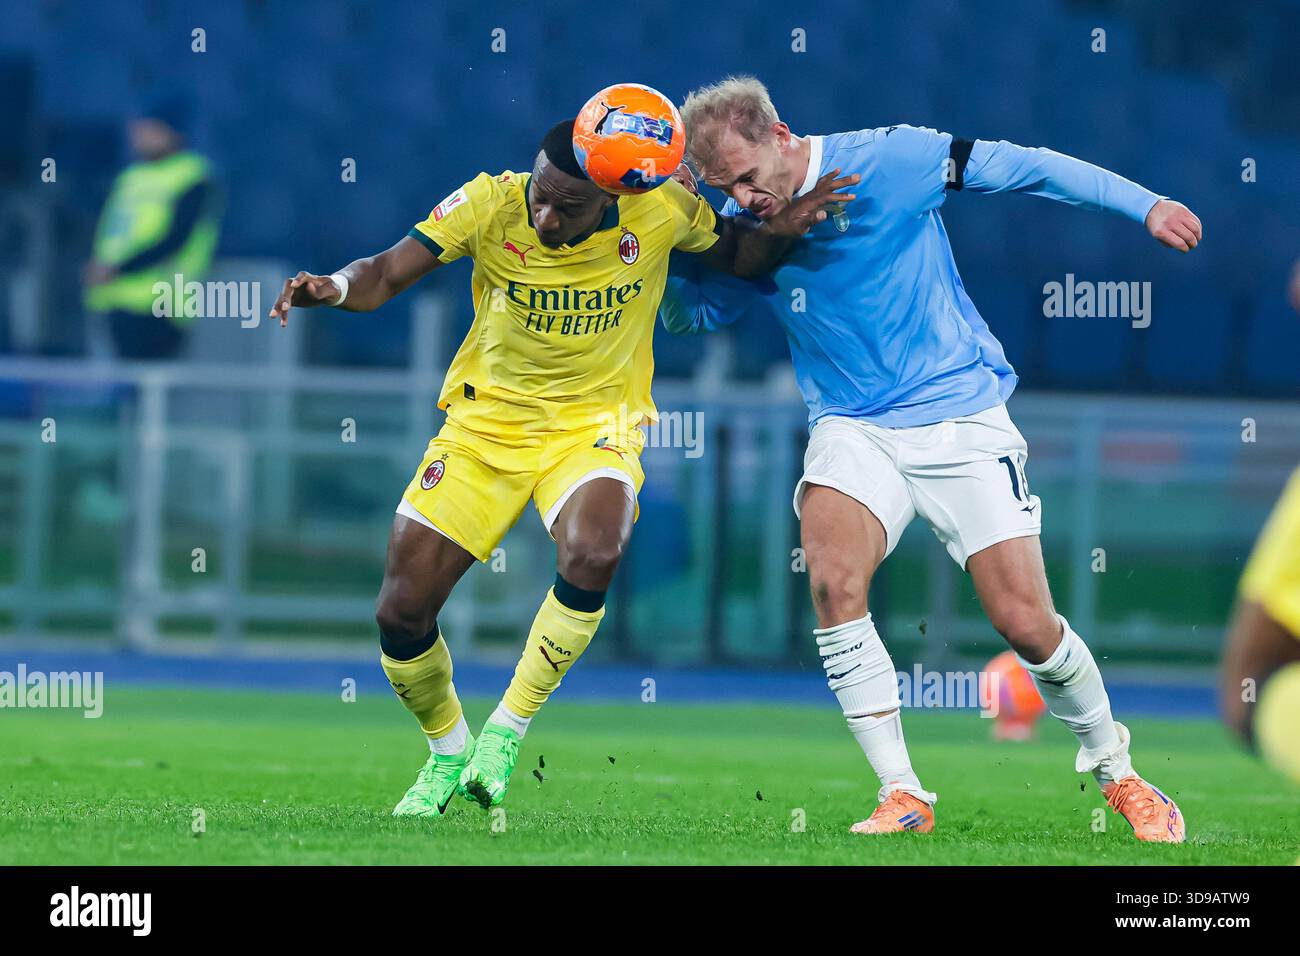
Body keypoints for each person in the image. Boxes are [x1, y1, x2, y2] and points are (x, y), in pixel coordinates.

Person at [661, 75, 1202, 841]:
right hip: (853, 425)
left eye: (748, 177)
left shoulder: (893, 159)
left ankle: (1118, 769)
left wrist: (1145, 203)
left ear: (781, 136)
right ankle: (902, 794)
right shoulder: (753, 236)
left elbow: (1032, 166)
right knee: (833, 581)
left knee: (1025, 624)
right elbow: (692, 317)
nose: (743, 197)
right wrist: (655, 253)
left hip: (959, 416)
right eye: (725, 189)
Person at [270, 118, 850, 816]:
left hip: (595, 428)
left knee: (594, 549)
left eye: (566, 207)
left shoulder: (659, 209)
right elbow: (386, 272)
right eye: (541, 199)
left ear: (608, 197)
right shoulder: (489, 202)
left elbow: (737, 257)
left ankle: (506, 733)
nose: (545, 216)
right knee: (400, 610)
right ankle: (448, 750)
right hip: (484, 429)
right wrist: (331, 286)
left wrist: (783, 224)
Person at [83, 92, 221, 359]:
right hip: (114, 299)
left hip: (160, 305)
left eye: (149, 127)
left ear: (172, 132)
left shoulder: (193, 176)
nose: (138, 134)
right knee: (121, 391)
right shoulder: (130, 177)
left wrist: (118, 270)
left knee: (149, 389)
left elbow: (176, 239)